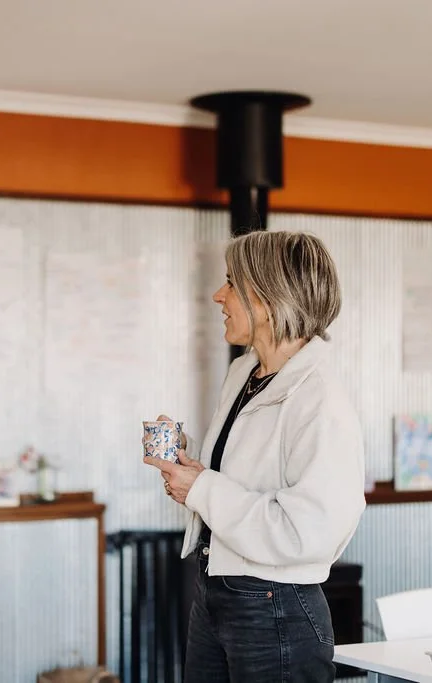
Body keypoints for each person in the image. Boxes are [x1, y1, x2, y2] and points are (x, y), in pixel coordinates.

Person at [144, 230, 366, 683]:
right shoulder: (244, 371)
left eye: (231, 282)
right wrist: (189, 470)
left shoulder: (321, 401)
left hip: (275, 608)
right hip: (215, 589)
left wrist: (202, 489)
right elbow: (244, 480)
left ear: (267, 299)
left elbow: (307, 532)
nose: (217, 295)